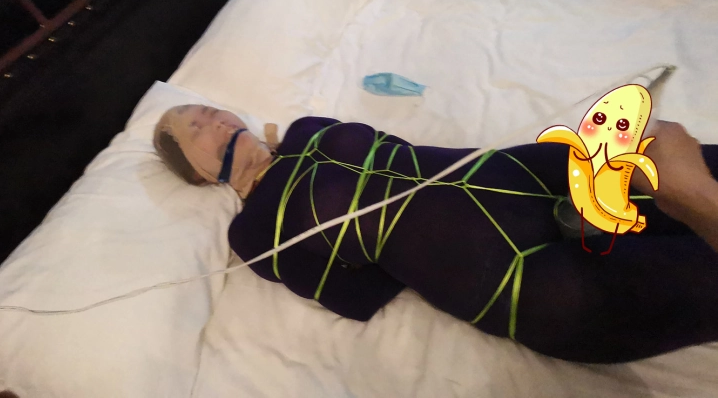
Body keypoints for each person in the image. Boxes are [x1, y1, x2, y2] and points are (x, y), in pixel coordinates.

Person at [153, 105, 718, 364]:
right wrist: (407, 242)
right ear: (199, 174)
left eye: (208, 109)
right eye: (194, 128)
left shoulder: (307, 128)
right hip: (517, 277)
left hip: (524, 172)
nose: (213, 119)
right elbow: (357, 295)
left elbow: (399, 151)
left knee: (689, 167)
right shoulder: (254, 233)